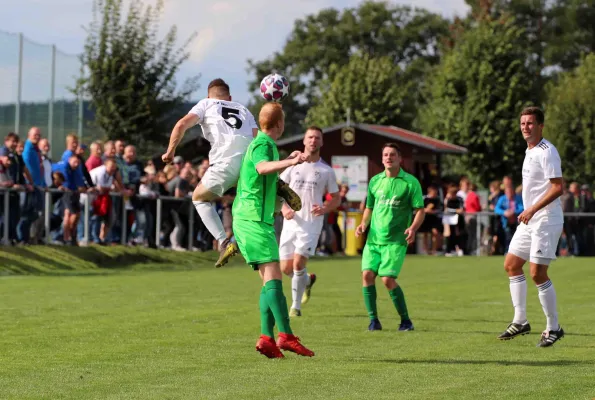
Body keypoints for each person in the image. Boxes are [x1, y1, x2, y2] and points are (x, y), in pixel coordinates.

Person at [162, 78, 301, 267]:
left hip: (224, 165)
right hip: (247, 164)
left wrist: (170, 151)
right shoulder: (243, 109)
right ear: (230, 97)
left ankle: (224, 242)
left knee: (199, 198)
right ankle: (278, 190)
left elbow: (181, 125)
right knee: (257, 201)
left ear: (208, 96)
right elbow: (257, 138)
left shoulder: (205, 104)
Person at [232, 102, 314, 358]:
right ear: (280, 124)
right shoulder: (264, 144)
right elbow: (262, 167)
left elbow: (264, 171)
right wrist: (288, 163)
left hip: (252, 220)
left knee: (269, 283)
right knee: (275, 280)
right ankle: (286, 336)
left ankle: (266, 338)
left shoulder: (263, 145)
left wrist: (287, 161)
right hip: (254, 220)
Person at [497, 106, 565, 347]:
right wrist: (529, 211)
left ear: (540, 126)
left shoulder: (547, 151)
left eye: (530, 123)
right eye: (522, 123)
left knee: (537, 273)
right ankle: (521, 321)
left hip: (546, 219)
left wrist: (532, 209)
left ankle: (554, 327)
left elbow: (558, 187)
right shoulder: (529, 151)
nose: (525, 127)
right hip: (530, 219)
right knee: (512, 265)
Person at [355, 143, 425, 331]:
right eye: (385, 154)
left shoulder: (410, 182)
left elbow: (420, 210)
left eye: (392, 154)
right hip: (373, 240)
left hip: (395, 242)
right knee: (367, 275)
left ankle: (405, 321)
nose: (388, 157)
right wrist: (363, 224)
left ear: (399, 159)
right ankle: (373, 320)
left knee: (387, 279)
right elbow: (369, 207)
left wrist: (412, 228)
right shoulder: (375, 181)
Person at [278, 126, 340, 317]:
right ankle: (307, 280)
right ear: (304, 141)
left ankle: (295, 307)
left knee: (297, 264)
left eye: (317, 138)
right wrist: (284, 208)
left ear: (321, 142)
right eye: (310, 137)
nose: (313, 140)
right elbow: (277, 189)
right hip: (290, 222)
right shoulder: (293, 165)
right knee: (285, 268)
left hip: (311, 223)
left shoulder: (326, 171)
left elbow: (336, 198)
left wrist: (325, 208)